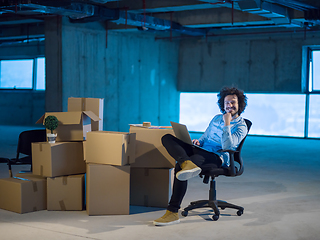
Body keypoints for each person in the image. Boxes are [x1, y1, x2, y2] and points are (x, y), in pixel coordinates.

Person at [153, 86, 248, 226]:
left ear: (240, 104)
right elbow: (205, 137)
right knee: (167, 138)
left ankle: (172, 212)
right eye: (227, 102)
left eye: (233, 102)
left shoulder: (241, 126)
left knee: (180, 166)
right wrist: (199, 141)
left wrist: (227, 123)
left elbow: (228, 146)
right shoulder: (216, 118)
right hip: (201, 150)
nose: (230, 105)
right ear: (223, 104)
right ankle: (187, 162)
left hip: (217, 157)